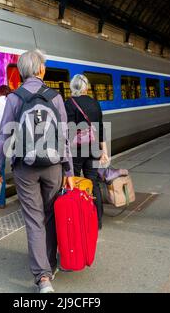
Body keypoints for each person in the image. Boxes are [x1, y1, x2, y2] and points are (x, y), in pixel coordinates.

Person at [0, 49, 75, 293]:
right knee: (50, 215)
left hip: (25, 168)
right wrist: (68, 171)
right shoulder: (55, 97)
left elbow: (4, 137)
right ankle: (51, 263)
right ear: (41, 70)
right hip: (53, 166)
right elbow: (64, 138)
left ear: (23, 72)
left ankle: (43, 278)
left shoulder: (14, 99)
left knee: (34, 219)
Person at [65, 74, 109, 230]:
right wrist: (104, 151)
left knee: (75, 182)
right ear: (86, 87)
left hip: (76, 150)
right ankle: (97, 221)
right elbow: (101, 128)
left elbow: (67, 130)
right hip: (94, 148)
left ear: (72, 87)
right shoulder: (95, 103)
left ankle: (78, 218)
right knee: (93, 181)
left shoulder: (69, 103)